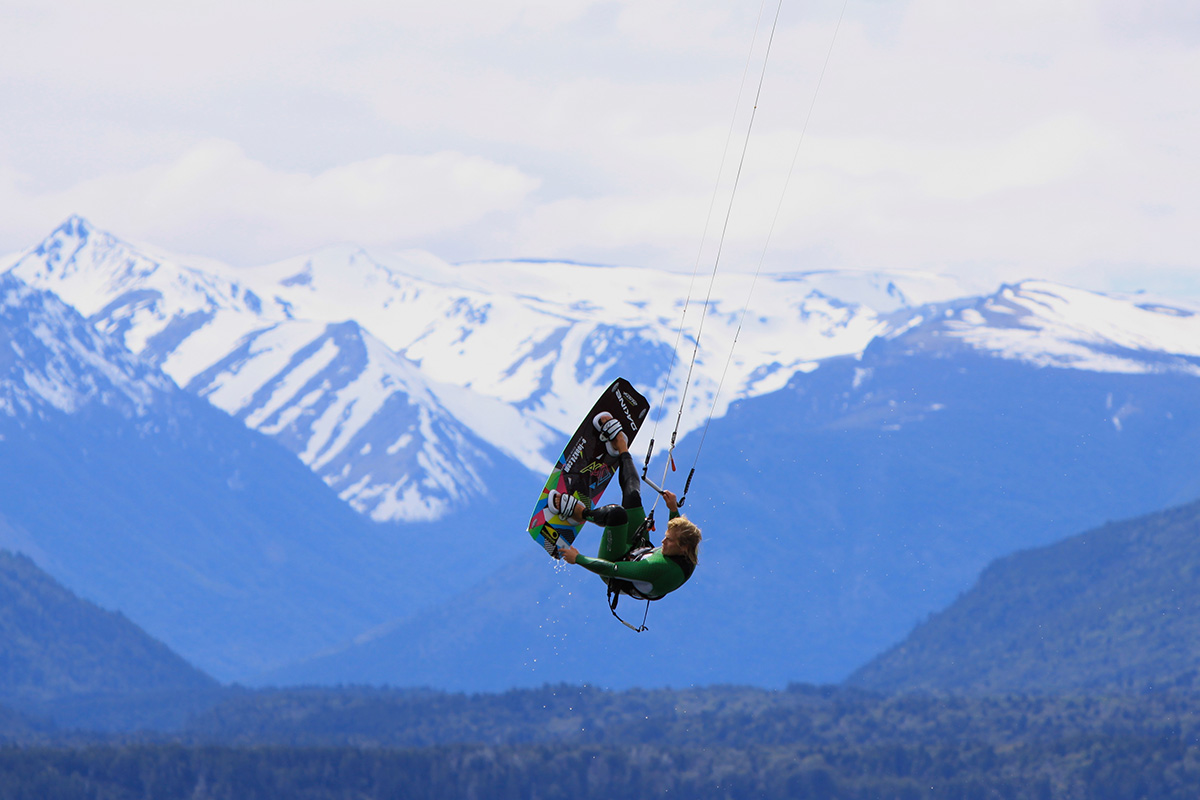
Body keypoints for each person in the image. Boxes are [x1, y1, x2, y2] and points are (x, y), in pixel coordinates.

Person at [549, 412, 702, 600]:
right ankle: (621, 446)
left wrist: (577, 558)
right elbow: (678, 532)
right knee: (633, 496)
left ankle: (580, 513)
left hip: (614, 566)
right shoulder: (689, 547)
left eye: (668, 541)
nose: (663, 541)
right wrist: (673, 509)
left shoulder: (657, 569)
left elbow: (612, 569)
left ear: (683, 548)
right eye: (666, 537)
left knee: (616, 514)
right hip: (639, 549)